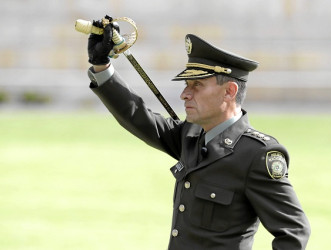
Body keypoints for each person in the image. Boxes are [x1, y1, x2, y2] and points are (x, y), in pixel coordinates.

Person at [85, 19, 311, 250]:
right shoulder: (192, 136)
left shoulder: (257, 154)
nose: (184, 94)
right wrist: (102, 66)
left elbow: (293, 232)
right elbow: (138, 117)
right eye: (186, 85)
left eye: (196, 85)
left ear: (229, 92)